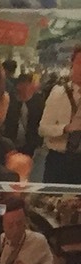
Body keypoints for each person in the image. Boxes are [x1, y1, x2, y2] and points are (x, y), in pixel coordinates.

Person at [40, 49, 81, 184]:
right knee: (51, 201)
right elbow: (42, 129)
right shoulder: (59, 93)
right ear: (72, 64)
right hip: (58, 160)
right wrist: (65, 128)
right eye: (79, 63)